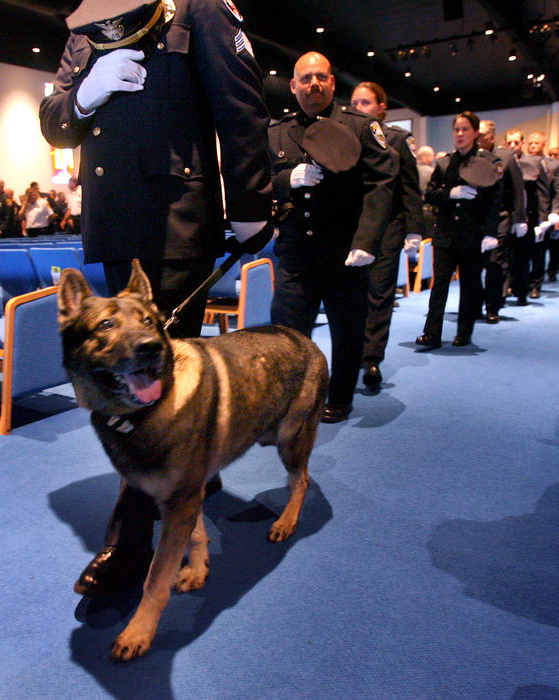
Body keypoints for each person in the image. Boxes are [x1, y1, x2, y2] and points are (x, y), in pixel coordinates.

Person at [40, 0, 272, 599]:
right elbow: (54, 121)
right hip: (115, 220)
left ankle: (130, 540)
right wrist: (86, 94)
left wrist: (250, 204)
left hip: (177, 216)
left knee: (147, 382)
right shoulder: (86, 25)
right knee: (131, 378)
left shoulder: (197, 7)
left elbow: (239, 105)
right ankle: (193, 465)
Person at [268, 51, 395, 423]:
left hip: (345, 252)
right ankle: (290, 400)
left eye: (321, 77)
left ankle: (340, 397)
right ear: (293, 86)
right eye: (306, 79)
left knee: (347, 331)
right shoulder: (277, 132)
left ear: (332, 83)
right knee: (288, 334)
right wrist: (285, 180)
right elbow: (257, 182)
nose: (314, 84)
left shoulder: (360, 126)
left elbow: (381, 184)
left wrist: (367, 241)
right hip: (297, 253)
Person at [350, 81, 423, 388]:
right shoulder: (344, 135)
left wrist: (414, 229)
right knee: (352, 296)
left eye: (365, 103)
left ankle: (371, 359)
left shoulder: (397, 138)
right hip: (353, 228)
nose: (358, 108)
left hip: (388, 228)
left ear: (382, 108)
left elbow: (410, 188)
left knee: (379, 294)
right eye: (354, 102)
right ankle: (351, 353)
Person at [416, 111, 501, 348]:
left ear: (475, 133)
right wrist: (449, 194)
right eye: (457, 130)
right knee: (439, 284)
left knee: (470, 286)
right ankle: (432, 333)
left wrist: (491, 232)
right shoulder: (444, 163)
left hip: (471, 234)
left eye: (465, 129)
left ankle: (464, 332)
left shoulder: (487, 163)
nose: (460, 134)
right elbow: (430, 194)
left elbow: (494, 202)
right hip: (444, 232)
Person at [477, 120, 526, 323]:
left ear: (491, 137)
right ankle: (475, 303)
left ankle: (492, 306)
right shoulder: (469, 156)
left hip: (500, 219)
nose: (477, 138)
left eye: (481, 135)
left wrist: (519, 219)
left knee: (495, 264)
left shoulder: (505, 157)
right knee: (474, 266)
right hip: (475, 221)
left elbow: (517, 189)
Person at [524, 131, 559, 297]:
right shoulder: (521, 161)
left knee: (539, 250)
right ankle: (518, 282)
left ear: (543, 144)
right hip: (525, 213)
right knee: (519, 251)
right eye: (531, 143)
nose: (533, 146)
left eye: (537, 143)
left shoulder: (553, 164)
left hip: (543, 214)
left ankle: (535, 284)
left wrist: (555, 212)